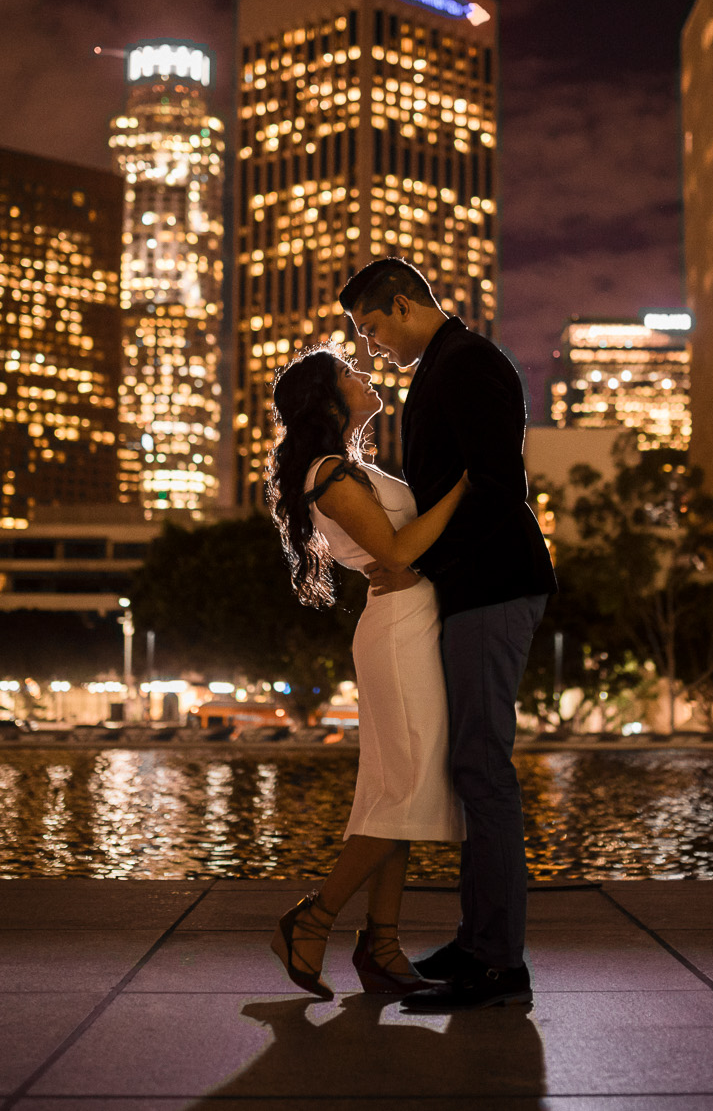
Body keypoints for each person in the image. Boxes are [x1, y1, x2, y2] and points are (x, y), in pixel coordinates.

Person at [338, 257, 556, 1013]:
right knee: (471, 764)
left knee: (481, 764)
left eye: (371, 327)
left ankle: (498, 963)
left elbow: (497, 486)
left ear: (402, 304)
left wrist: (423, 563)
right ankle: (477, 943)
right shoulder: (445, 366)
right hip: (471, 587)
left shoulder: (469, 362)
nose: (371, 346)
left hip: (493, 584)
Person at [264, 346, 469, 999]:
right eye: (351, 373)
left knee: (394, 791)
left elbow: (405, 553)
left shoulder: (351, 468)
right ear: (326, 400)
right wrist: (466, 483)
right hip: (401, 630)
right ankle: (314, 918)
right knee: (404, 789)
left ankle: (381, 945)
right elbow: (400, 551)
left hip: (409, 624)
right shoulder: (328, 473)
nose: (366, 375)